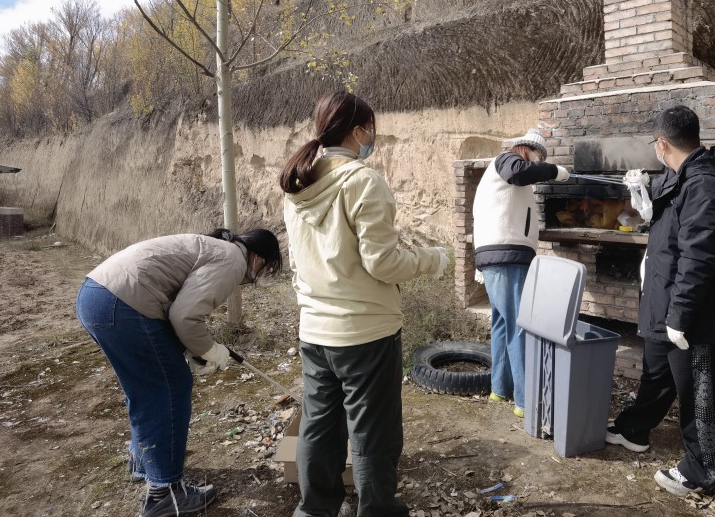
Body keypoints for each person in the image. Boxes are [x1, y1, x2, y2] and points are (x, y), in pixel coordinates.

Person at [280, 91, 449, 517]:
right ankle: (377, 510)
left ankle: (314, 509)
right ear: (358, 131)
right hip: (366, 333)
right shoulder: (362, 181)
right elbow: (384, 263)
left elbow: (300, 264)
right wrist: (434, 260)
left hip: (315, 330)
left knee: (319, 429)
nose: (373, 137)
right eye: (371, 129)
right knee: (374, 435)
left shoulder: (296, 185)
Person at [75, 228, 283, 517]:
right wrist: (210, 350)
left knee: (146, 387)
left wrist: (192, 351)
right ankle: (164, 493)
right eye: (266, 267)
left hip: (97, 296)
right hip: (122, 303)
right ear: (259, 256)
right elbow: (185, 316)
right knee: (169, 388)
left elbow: (175, 310)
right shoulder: (233, 260)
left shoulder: (216, 247)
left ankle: (145, 462)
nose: (259, 274)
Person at [605, 104, 715, 497]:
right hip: (663, 299)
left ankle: (702, 469)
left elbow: (699, 256)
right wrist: (642, 194)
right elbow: (667, 210)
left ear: (661, 143)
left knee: (697, 386)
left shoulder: (706, 185)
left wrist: (681, 316)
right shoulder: (682, 175)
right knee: (656, 373)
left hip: (691, 312)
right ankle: (634, 429)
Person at [472, 128, 570, 418]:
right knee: (519, 325)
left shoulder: (510, 174)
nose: (539, 162)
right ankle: (527, 401)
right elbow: (520, 172)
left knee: (503, 324)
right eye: (539, 156)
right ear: (527, 149)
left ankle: (500, 388)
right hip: (505, 256)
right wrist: (554, 171)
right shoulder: (506, 161)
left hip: (502, 256)